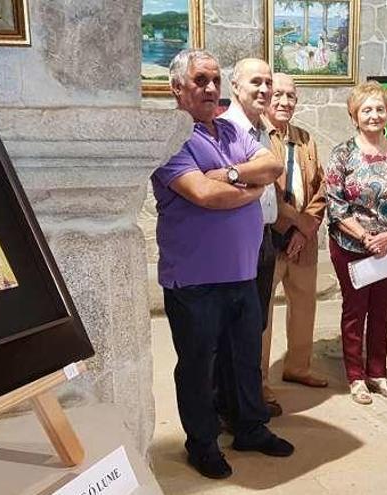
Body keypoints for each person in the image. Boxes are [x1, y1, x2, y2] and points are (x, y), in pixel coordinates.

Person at [151, 48, 292, 480]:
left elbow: (272, 164)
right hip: (193, 281)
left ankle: (250, 427)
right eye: (200, 81)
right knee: (198, 366)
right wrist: (246, 185)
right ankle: (203, 443)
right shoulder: (169, 137)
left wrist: (228, 175)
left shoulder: (231, 131)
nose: (210, 88)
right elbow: (203, 195)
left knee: (246, 357)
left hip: (242, 272)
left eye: (215, 80)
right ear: (178, 88)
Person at [324, 81, 387, 405]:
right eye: (367, 109)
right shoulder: (342, 155)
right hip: (352, 247)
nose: (374, 115)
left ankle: (377, 372)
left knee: (382, 310)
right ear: (355, 115)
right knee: (355, 311)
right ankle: (355, 377)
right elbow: (336, 206)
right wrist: (366, 237)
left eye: (380, 108)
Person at [261, 73, 328, 409]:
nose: (284, 102)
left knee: (304, 305)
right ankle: (259, 382)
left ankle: (298, 366)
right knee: (263, 315)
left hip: (303, 239)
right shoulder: (258, 137)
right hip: (271, 238)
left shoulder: (304, 139)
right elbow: (265, 191)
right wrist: (293, 225)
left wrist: (305, 229)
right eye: (278, 95)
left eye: (291, 96)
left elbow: (320, 187)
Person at [220, 57, 283, 417]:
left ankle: (247, 400)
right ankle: (232, 407)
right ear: (236, 88)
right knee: (235, 329)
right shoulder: (228, 129)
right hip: (237, 239)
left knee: (254, 325)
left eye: (268, 82)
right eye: (255, 82)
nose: (264, 89)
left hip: (264, 237)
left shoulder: (262, 128)